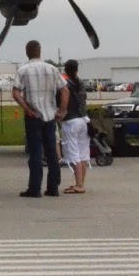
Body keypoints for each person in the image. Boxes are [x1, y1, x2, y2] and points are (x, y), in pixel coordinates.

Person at [12, 40, 68, 198]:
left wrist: (28, 109)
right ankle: (53, 187)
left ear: (26, 51)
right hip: (50, 116)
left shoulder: (23, 70)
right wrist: (62, 110)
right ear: (40, 51)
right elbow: (65, 90)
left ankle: (34, 188)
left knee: (36, 153)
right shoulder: (51, 69)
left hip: (34, 116)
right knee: (52, 153)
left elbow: (16, 93)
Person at [58, 59, 90, 194]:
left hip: (70, 121)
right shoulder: (81, 83)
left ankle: (79, 184)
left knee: (73, 153)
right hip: (83, 119)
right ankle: (81, 182)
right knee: (83, 153)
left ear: (65, 70)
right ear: (77, 70)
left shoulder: (64, 84)